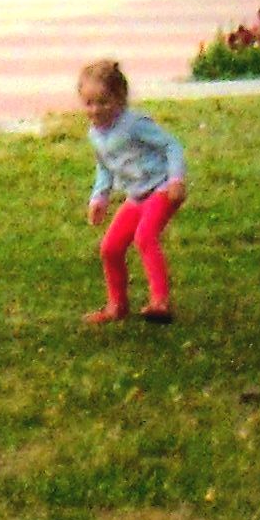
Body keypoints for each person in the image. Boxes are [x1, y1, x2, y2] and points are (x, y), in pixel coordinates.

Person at [80, 58, 187, 324]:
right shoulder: (95, 134)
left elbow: (171, 145)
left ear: (120, 99)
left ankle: (160, 301)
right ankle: (116, 305)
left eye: (103, 102)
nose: (96, 110)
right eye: (89, 104)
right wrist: (99, 196)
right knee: (110, 248)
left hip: (160, 188)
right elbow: (104, 166)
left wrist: (176, 179)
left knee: (145, 236)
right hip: (136, 196)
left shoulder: (134, 124)